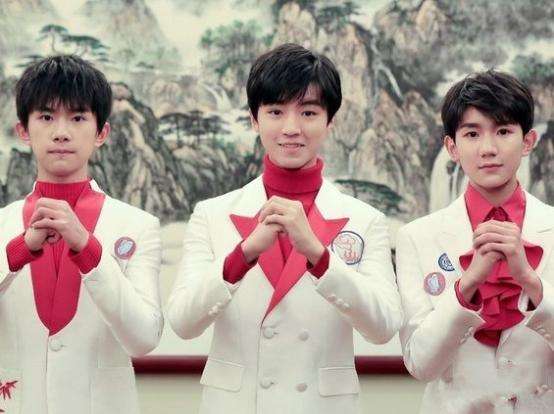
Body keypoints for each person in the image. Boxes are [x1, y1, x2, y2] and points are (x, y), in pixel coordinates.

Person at [167, 43, 402, 414]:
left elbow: (384, 327)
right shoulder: (211, 215)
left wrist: (319, 256)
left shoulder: (365, 219)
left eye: (308, 112)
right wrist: (244, 254)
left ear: (330, 122)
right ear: (254, 119)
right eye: (276, 112)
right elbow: (183, 322)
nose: (291, 128)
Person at [0, 55, 163, 414]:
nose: (61, 132)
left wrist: (89, 250)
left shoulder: (139, 225)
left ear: (101, 133)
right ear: (23, 130)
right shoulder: (3, 225)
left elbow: (144, 338)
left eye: (77, 118)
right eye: (46, 117)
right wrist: (19, 250)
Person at [396, 70, 554, 413]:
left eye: (503, 131)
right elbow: (421, 364)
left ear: (528, 142)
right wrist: (467, 284)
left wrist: (529, 280)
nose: (488, 149)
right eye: (472, 133)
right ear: (452, 147)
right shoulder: (416, 237)